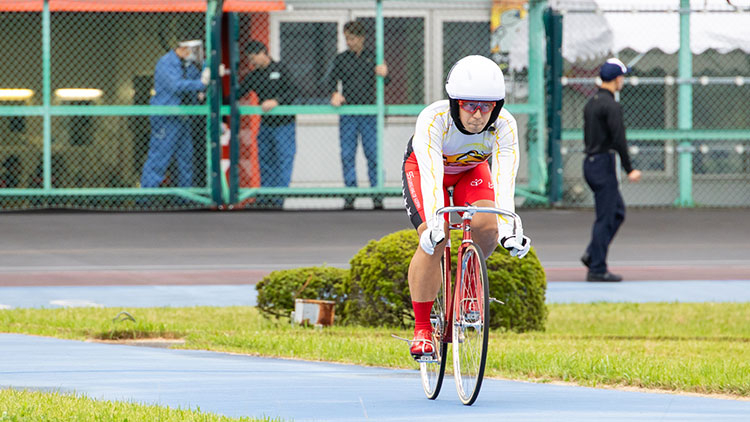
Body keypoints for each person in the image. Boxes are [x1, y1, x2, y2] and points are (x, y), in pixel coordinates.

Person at [401, 55, 531, 360]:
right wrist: (434, 225)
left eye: (486, 107)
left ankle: (469, 286)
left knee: (488, 224)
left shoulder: (505, 125)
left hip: (470, 172)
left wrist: (509, 232)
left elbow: (504, 182)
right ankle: (422, 329)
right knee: (438, 238)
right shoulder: (433, 119)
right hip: (425, 169)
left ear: (497, 107)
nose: (477, 115)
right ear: (454, 103)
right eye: (469, 105)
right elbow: (432, 178)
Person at [580, 58, 642, 282]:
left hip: (591, 163)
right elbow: (619, 139)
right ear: (617, 79)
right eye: (622, 77)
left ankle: (592, 253)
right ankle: (597, 268)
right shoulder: (611, 105)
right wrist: (629, 169)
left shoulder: (592, 102)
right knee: (606, 217)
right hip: (603, 165)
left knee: (616, 212)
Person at [323, 21, 389, 210]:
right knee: (347, 154)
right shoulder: (341, 58)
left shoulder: (374, 57)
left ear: (361, 38)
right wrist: (334, 93)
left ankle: (377, 193)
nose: (349, 42)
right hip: (349, 112)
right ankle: (350, 194)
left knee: (373, 154)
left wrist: (384, 73)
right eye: (347, 39)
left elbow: (387, 81)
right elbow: (329, 81)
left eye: (352, 38)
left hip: (370, 112)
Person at [141, 39, 209, 189]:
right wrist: (201, 84)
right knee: (159, 157)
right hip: (167, 116)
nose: (196, 54)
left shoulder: (188, 66)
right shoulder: (166, 63)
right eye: (194, 50)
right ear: (184, 49)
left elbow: (195, 82)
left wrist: (204, 83)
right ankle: (146, 197)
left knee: (186, 158)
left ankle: (185, 196)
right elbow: (176, 85)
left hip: (183, 117)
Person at [240, 40, 298, 209]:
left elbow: (294, 91)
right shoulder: (253, 76)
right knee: (265, 161)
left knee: (283, 161)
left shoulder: (281, 69)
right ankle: (265, 198)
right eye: (249, 59)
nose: (252, 62)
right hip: (266, 126)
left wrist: (276, 101)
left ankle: (278, 199)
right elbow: (238, 93)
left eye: (253, 58)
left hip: (284, 125)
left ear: (263, 53)